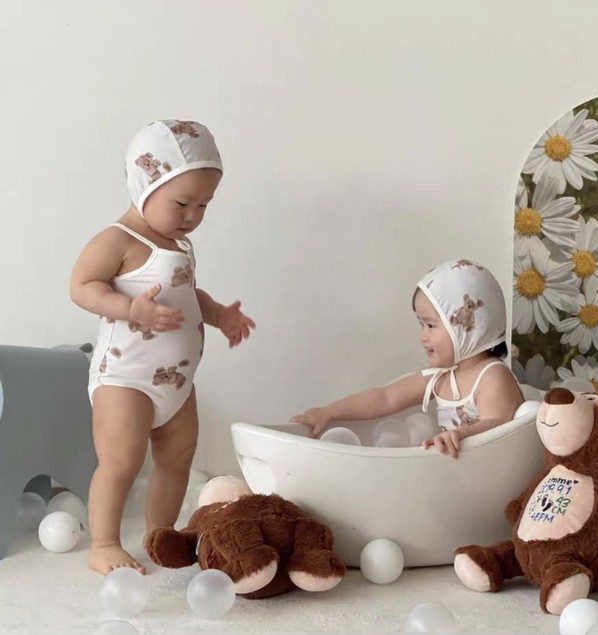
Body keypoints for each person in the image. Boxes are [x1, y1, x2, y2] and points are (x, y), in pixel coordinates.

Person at [70, 119, 255, 575]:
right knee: (121, 460)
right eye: (182, 203)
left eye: (203, 205)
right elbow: (82, 286)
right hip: (125, 378)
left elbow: (188, 295)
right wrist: (130, 308)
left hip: (176, 383)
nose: (192, 215)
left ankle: (160, 533)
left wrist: (220, 316)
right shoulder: (118, 240)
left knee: (178, 456)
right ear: (145, 184)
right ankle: (103, 543)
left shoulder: (179, 244)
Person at [291, 258, 523, 458]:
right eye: (421, 324)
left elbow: (500, 428)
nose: (423, 336)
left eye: (430, 325)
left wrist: (462, 434)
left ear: (468, 330)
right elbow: (386, 397)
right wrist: (329, 411)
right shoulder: (441, 377)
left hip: (489, 472)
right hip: (459, 472)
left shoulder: (492, 377)